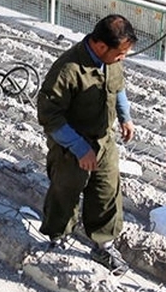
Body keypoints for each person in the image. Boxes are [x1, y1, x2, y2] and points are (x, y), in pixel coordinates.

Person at [36, 15, 138, 275]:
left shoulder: (111, 61)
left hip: (104, 140)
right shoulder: (68, 70)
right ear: (101, 46)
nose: (122, 58)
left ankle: (103, 245)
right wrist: (80, 148)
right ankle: (57, 238)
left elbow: (119, 88)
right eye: (120, 53)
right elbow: (50, 116)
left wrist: (125, 117)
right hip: (71, 145)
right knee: (65, 192)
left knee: (106, 192)